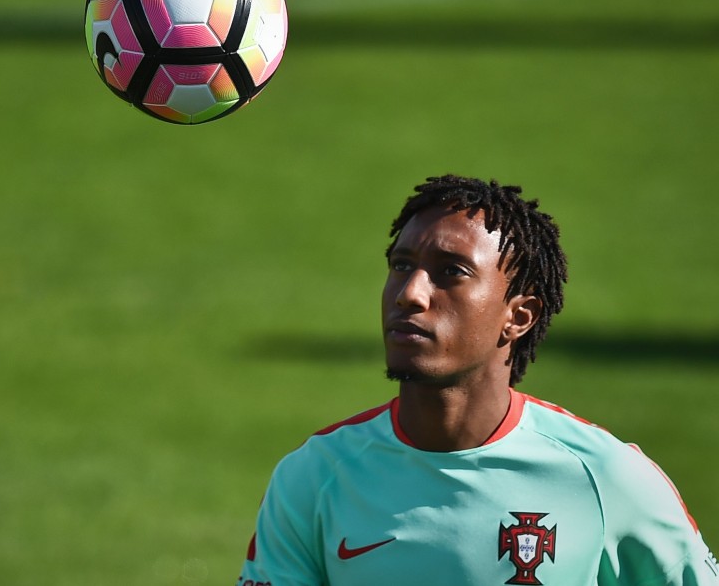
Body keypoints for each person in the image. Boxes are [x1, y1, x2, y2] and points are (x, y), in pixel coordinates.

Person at [236, 175, 717, 586]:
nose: (409, 294)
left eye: (451, 273)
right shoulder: (315, 477)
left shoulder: (605, 477)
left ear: (519, 317)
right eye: (401, 266)